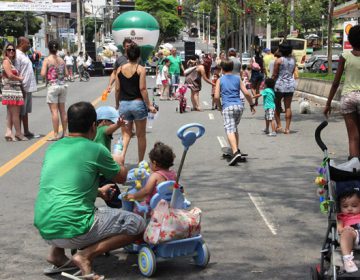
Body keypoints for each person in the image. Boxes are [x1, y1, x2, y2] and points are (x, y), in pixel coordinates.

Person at [34, 102, 145, 280]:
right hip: (76, 229)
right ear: (94, 126)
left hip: (45, 226)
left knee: (63, 205)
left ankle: (56, 254)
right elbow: (122, 177)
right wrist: (120, 153)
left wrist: (99, 192)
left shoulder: (53, 148)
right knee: (138, 225)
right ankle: (85, 256)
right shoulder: (95, 149)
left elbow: (68, 188)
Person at [115, 43, 157, 165]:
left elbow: (117, 89)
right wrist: (149, 105)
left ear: (127, 55)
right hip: (138, 104)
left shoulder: (119, 69)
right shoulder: (140, 69)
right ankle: (140, 162)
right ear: (139, 56)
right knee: (141, 135)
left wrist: (117, 104)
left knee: (126, 135)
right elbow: (143, 89)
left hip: (124, 104)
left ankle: (121, 158)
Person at [324, 25, 360, 159]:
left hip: (348, 97)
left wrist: (328, 104)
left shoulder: (345, 56)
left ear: (350, 40)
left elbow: (335, 83)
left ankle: (354, 169)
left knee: (353, 138)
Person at [214, 59, 256, 166]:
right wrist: (251, 105)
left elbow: (216, 96)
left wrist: (219, 107)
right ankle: (235, 149)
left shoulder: (220, 80)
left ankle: (235, 152)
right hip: (239, 106)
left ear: (222, 69)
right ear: (232, 68)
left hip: (228, 106)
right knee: (234, 128)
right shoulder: (237, 78)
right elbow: (246, 93)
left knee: (229, 129)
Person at [125, 142, 177, 212]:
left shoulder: (155, 176)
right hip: (169, 205)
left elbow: (146, 191)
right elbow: (178, 189)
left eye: (150, 162)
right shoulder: (173, 174)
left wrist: (134, 196)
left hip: (153, 208)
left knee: (135, 209)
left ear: (155, 163)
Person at [40, 40, 68, 141]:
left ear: (49, 48)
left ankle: (56, 134)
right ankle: (65, 132)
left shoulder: (47, 60)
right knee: (63, 111)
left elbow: (43, 74)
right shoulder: (61, 60)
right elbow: (66, 74)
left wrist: (49, 72)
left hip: (53, 86)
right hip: (63, 85)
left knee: (54, 111)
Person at [1, 43, 26, 141]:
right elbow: (10, 75)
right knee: (16, 113)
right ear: (5, 51)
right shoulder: (6, 62)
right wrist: (19, 78)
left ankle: (8, 132)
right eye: (9, 49)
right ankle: (19, 133)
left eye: (13, 50)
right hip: (11, 89)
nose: (11, 51)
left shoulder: (10, 62)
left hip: (12, 89)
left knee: (10, 113)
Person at [15, 37, 38, 139]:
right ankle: (19, 133)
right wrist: (20, 87)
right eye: (27, 43)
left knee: (25, 111)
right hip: (22, 87)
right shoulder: (17, 55)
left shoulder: (24, 54)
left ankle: (26, 131)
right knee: (20, 112)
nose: (29, 45)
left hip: (28, 87)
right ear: (21, 43)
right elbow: (17, 72)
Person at [272, 44, 296, 134]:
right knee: (288, 107)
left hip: (280, 85)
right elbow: (292, 72)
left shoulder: (278, 61)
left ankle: (279, 125)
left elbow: (275, 74)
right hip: (290, 85)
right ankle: (287, 128)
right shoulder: (293, 61)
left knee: (277, 105)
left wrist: (270, 83)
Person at [337, 188, 360, 273]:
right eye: (345, 206)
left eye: (354, 206)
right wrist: (343, 229)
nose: (349, 209)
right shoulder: (341, 217)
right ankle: (348, 260)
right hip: (353, 234)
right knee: (346, 233)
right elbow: (339, 228)